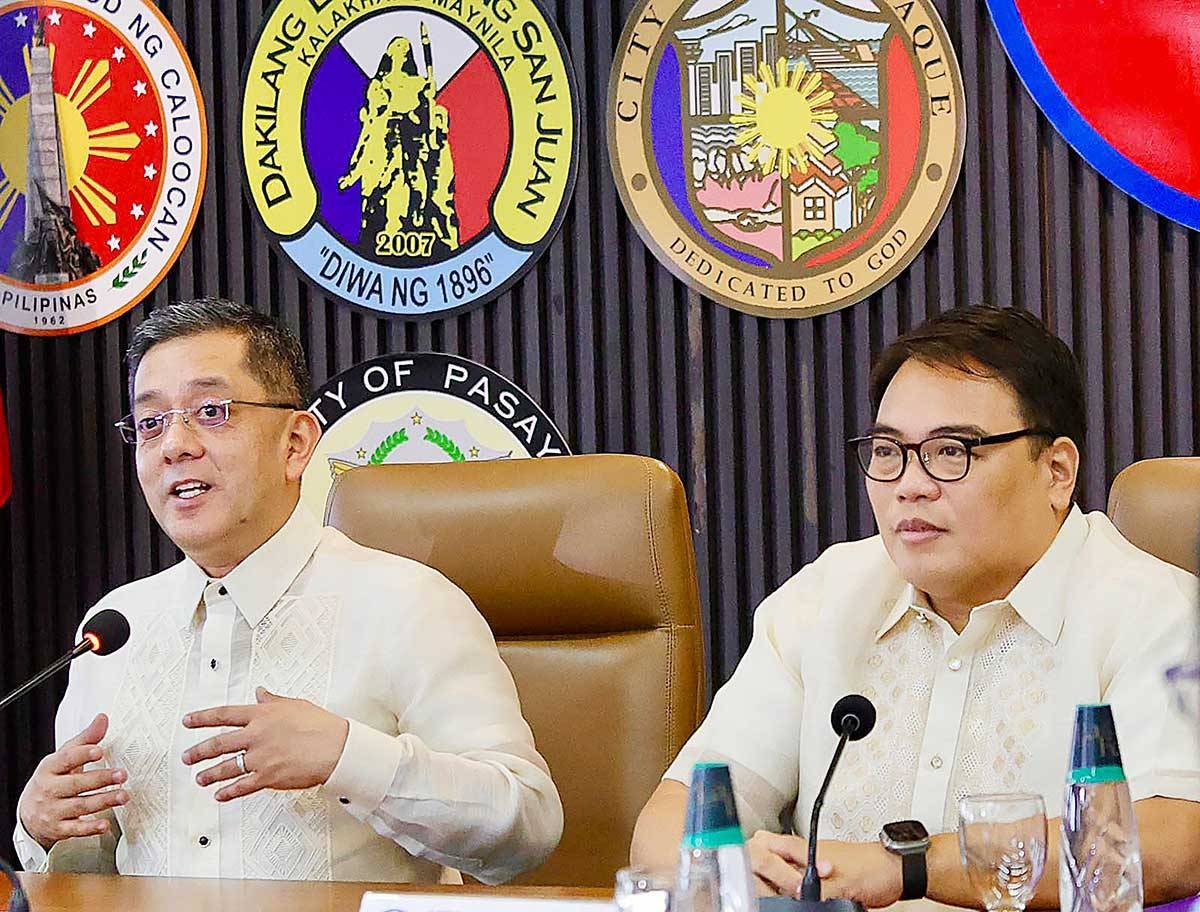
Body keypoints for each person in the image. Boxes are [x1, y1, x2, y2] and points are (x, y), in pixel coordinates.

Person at [631, 306, 1200, 907]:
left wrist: (907, 867)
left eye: (951, 451)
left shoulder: (1155, 612)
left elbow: (1172, 839)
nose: (910, 484)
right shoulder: (827, 595)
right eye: (887, 451)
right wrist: (732, 862)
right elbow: (671, 822)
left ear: (1056, 471)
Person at [13, 298, 562, 883]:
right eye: (150, 422)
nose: (174, 444)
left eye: (211, 410)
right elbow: (89, 874)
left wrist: (348, 756)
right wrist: (43, 827)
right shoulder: (113, 628)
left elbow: (527, 824)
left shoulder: (408, 604)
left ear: (296, 444)